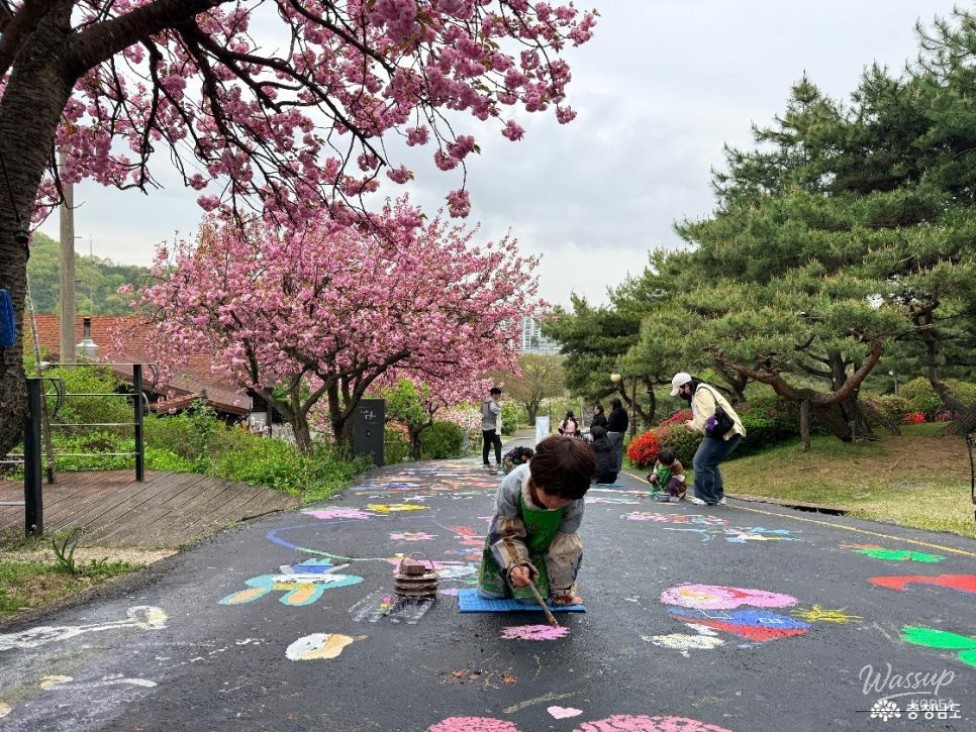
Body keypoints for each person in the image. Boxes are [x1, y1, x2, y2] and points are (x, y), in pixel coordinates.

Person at [477, 434, 596, 606]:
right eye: (549, 494)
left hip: (543, 548)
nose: (554, 503)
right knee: (490, 594)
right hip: (508, 541)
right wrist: (516, 564)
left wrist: (561, 592)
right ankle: (509, 573)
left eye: (564, 499)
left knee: (530, 600)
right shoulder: (512, 485)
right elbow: (505, 532)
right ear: (536, 477)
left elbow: (564, 548)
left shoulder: (575, 499)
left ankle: (545, 581)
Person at [670, 372, 746, 506]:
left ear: (686, 386)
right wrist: (693, 424)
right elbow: (706, 418)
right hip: (725, 431)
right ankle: (717, 496)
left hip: (727, 430)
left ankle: (706, 497)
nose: (680, 394)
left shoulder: (701, 392)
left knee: (699, 461)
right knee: (709, 462)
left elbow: (707, 416)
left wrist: (692, 425)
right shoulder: (696, 394)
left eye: (680, 390)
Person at [481, 387, 503, 470]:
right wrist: (500, 407)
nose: (498, 397)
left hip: (484, 426)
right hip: (492, 426)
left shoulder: (485, 401)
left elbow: (481, 411)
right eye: (498, 395)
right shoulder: (492, 402)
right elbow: (495, 410)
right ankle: (498, 463)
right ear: (494, 394)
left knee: (486, 445)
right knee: (498, 444)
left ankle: (486, 463)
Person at [606, 398, 629, 473]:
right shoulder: (624, 412)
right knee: (618, 451)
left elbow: (610, 424)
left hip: (612, 433)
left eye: (612, 404)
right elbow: (626, 422)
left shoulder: (614, 413)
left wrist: (605, 430)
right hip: (621, 433)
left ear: (614, 404)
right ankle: (618, 468)